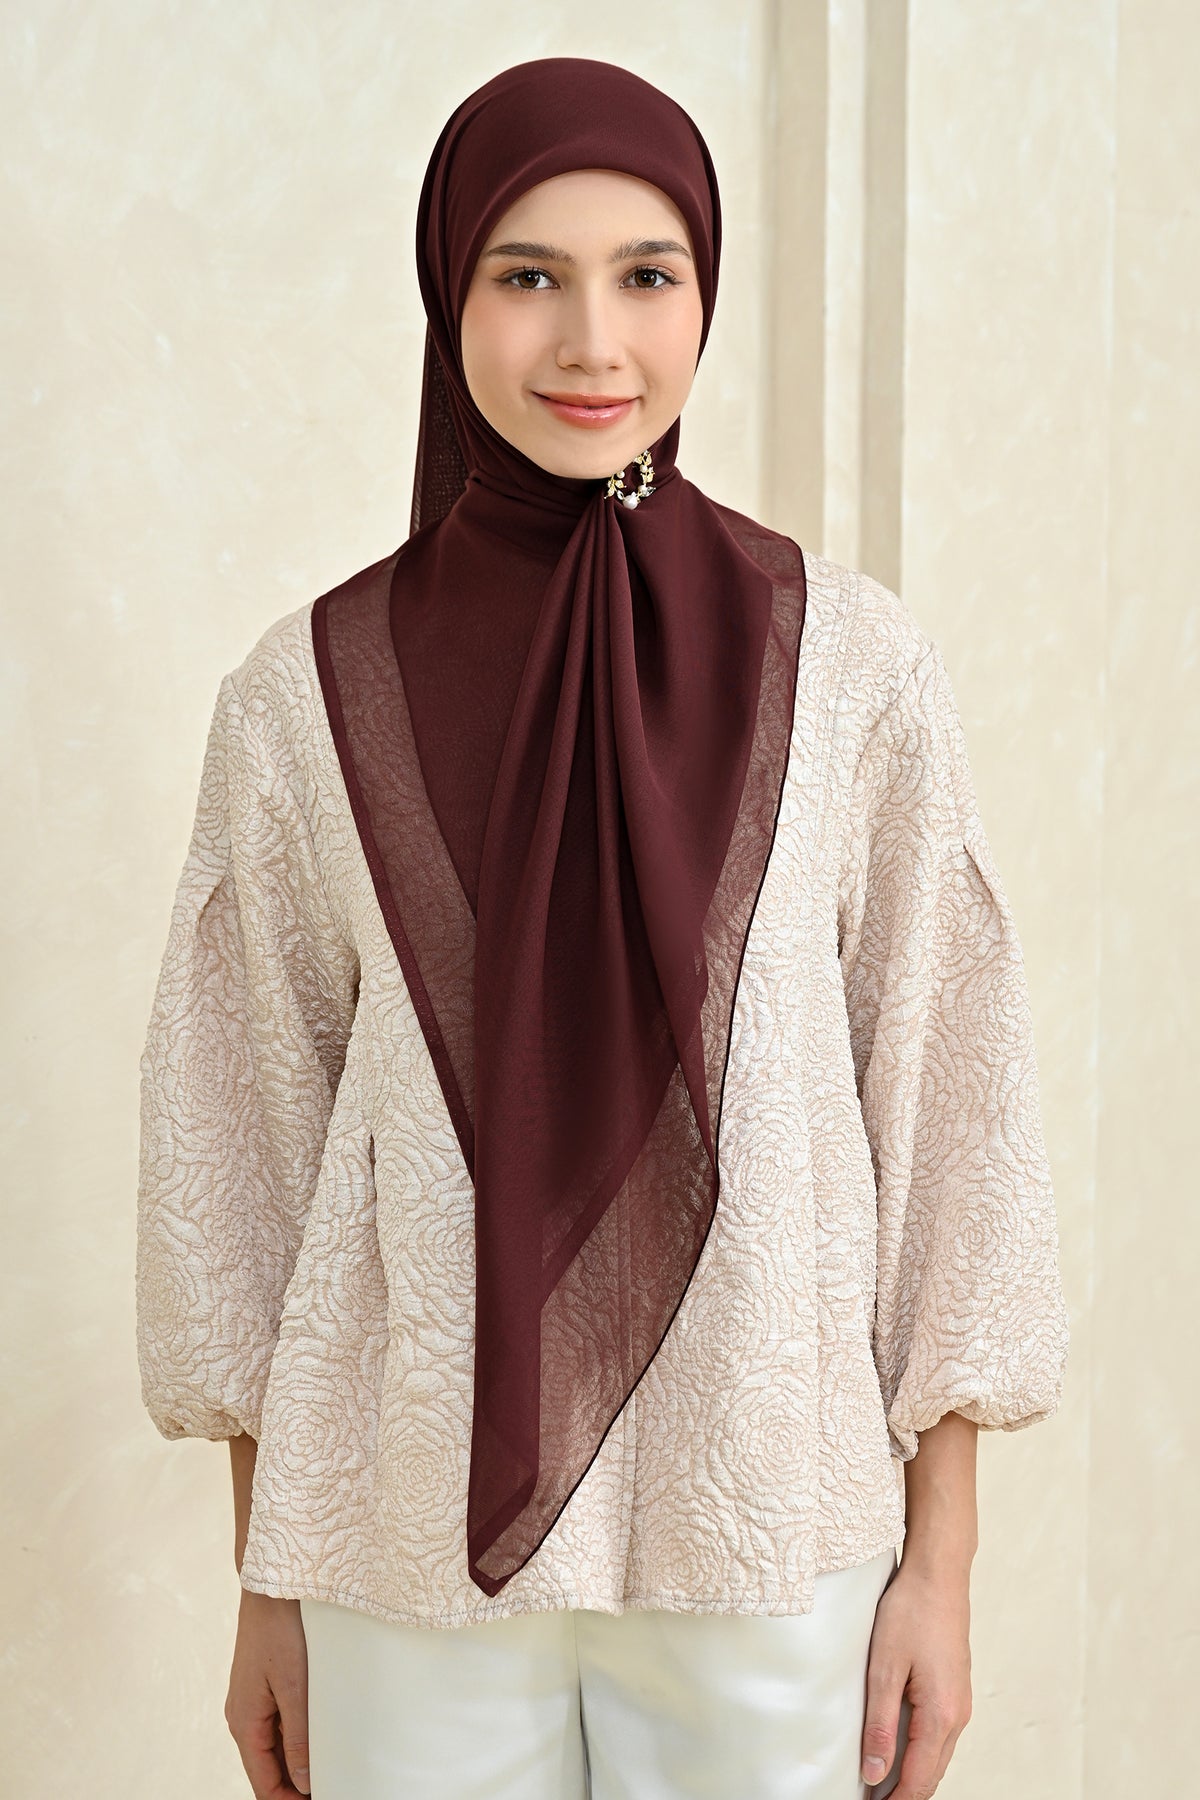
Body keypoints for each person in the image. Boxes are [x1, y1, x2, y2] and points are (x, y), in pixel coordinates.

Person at [135, 55, 1070, 1800]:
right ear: (450, 298)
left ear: (704, 293)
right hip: (408, 1556)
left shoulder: (851, 669)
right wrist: (268, 1582)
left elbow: (950, 1112)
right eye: (527, 275)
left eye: (647, 274)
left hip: (769, 1535)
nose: (593, 343)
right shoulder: (306, 697)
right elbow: (242, 1162)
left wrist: (941, 1567)